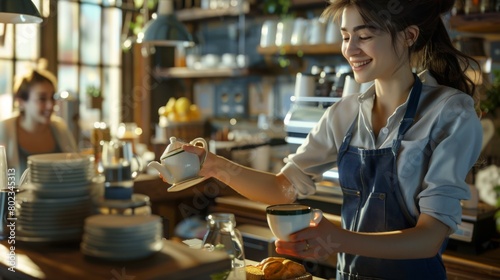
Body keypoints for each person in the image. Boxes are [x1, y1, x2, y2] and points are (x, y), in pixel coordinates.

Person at [176, 0, 483, 279]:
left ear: (409, 36)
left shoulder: (450, 113)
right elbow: (282, 189)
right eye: (346, 36)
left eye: (364, 36)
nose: (350, 49)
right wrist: (214, 166)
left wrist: (336, 239)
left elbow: (429, 238)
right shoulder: (344, 112)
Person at [0, 67, 77, 183]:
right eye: (42, 99)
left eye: (52, 97)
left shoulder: (60, 127)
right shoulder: (4, 129)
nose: (50, 105)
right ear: (21, 101)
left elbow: (76, 166)